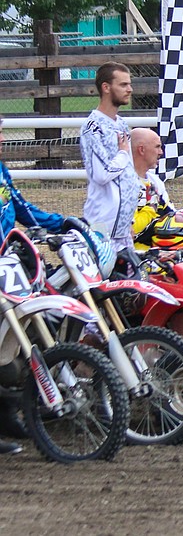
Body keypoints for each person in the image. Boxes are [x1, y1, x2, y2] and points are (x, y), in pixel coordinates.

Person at [0, 115, 66, 456]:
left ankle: (9, 412)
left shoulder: (1, 170)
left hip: (6, 264)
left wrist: (62, 222)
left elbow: (23, 209)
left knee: (18, 335)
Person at [80, 62, 139, 252]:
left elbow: (128, 174)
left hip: (122, 229)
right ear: (106, 87)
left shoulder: (121, 124)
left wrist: (129, 221)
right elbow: (101, 174)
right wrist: (122, 154)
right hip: (103, 228)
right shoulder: (93, 127)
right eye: (123, 85)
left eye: (129, 84)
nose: (129, 90)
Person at [130, 128, 183, 225]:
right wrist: (151, 207)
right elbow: (132, 228)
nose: (161, 152)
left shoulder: (155, 181)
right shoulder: (123, 182)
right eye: (157, 147)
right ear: (141, 150)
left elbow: (171, 214)